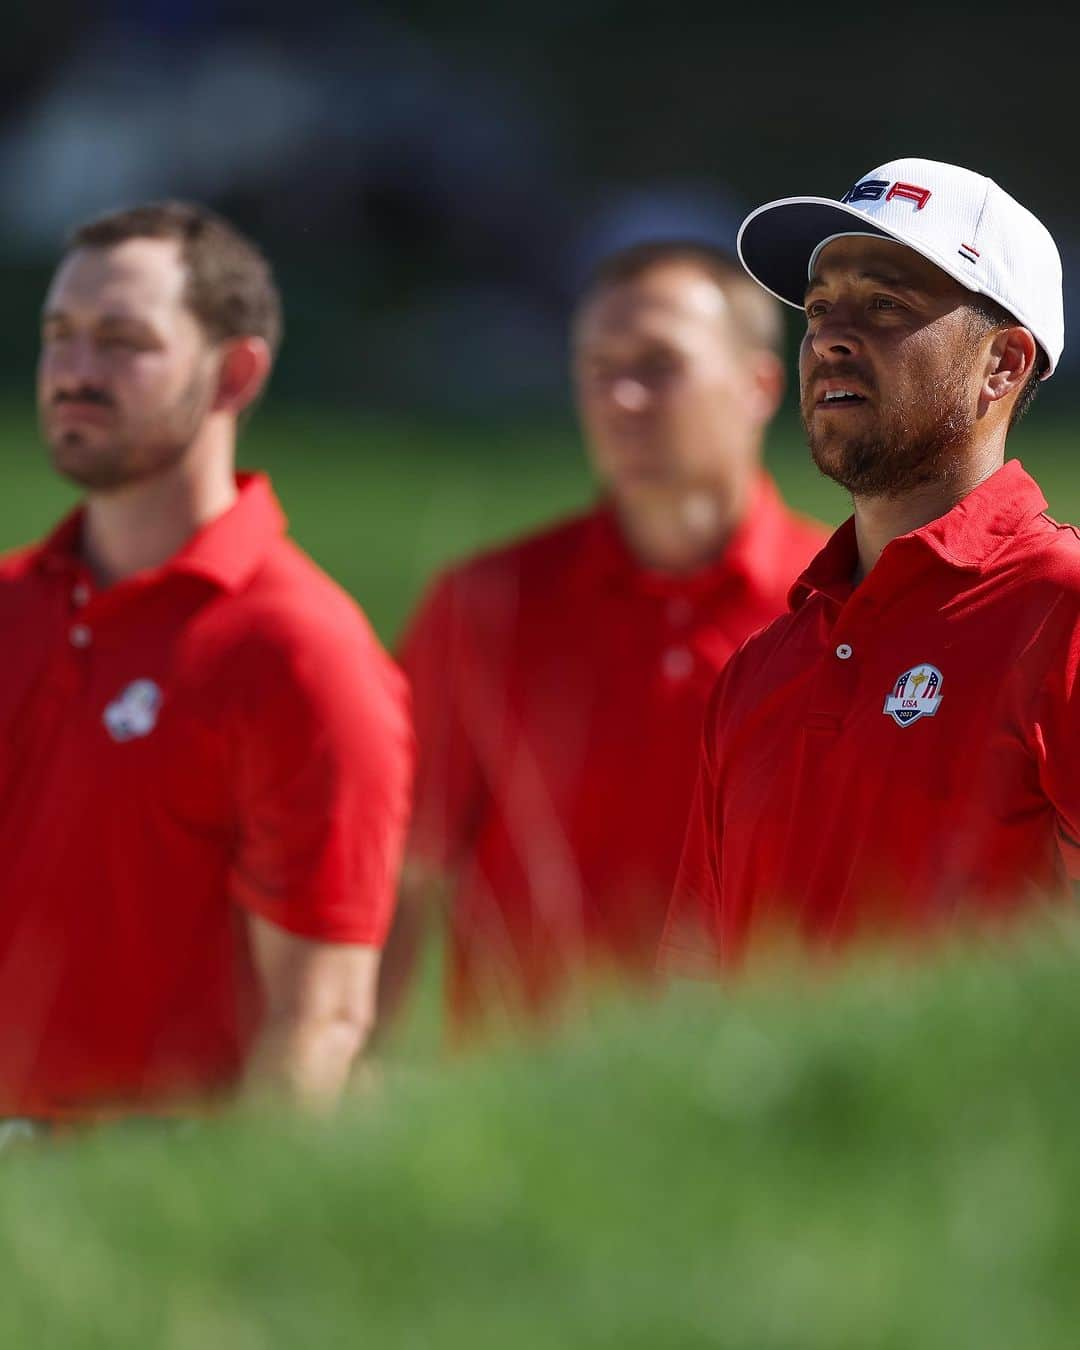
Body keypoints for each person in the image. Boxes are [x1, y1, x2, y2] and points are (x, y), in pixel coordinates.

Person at [0, 201, 412, 1123]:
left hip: (128, 1222)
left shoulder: (298, 651)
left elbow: (319, 1024)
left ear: (234, 372)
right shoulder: (10, 606)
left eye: (122, 340)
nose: (74, 370)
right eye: (59, 335)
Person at [385, 241, 827, 1037]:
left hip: (763, 1101)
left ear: (760, 385)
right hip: (522, 1116)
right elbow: (397, 879)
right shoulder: (486, 604)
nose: (619, 398)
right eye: (596, 368)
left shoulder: (843, 605)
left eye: (659, 365)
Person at [660, 157, 1079, 976]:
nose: (830, 337)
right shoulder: (761, 666)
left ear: (1004, 363)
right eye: (820, 308)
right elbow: (691, 1000)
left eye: (886, 304)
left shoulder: (1062, 612)